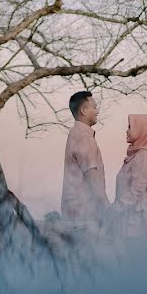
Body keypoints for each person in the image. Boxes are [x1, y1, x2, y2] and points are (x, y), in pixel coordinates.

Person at [104, 113, 147, 253]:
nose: (127, 131)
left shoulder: (144, 157)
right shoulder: (136, 156)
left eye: (130, 127)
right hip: (131, 224)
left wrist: (113, 210)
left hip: (140, 224)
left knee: (138, 270)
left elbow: (135, 193)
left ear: (143, 130)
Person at [60, 90, 110, 234]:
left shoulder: (75, 134)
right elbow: (92, 178)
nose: (97, 111)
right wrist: (107, 209)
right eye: (94, 107)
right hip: (85, 218)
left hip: (74, 215)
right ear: (83, 110)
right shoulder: (84, 137)